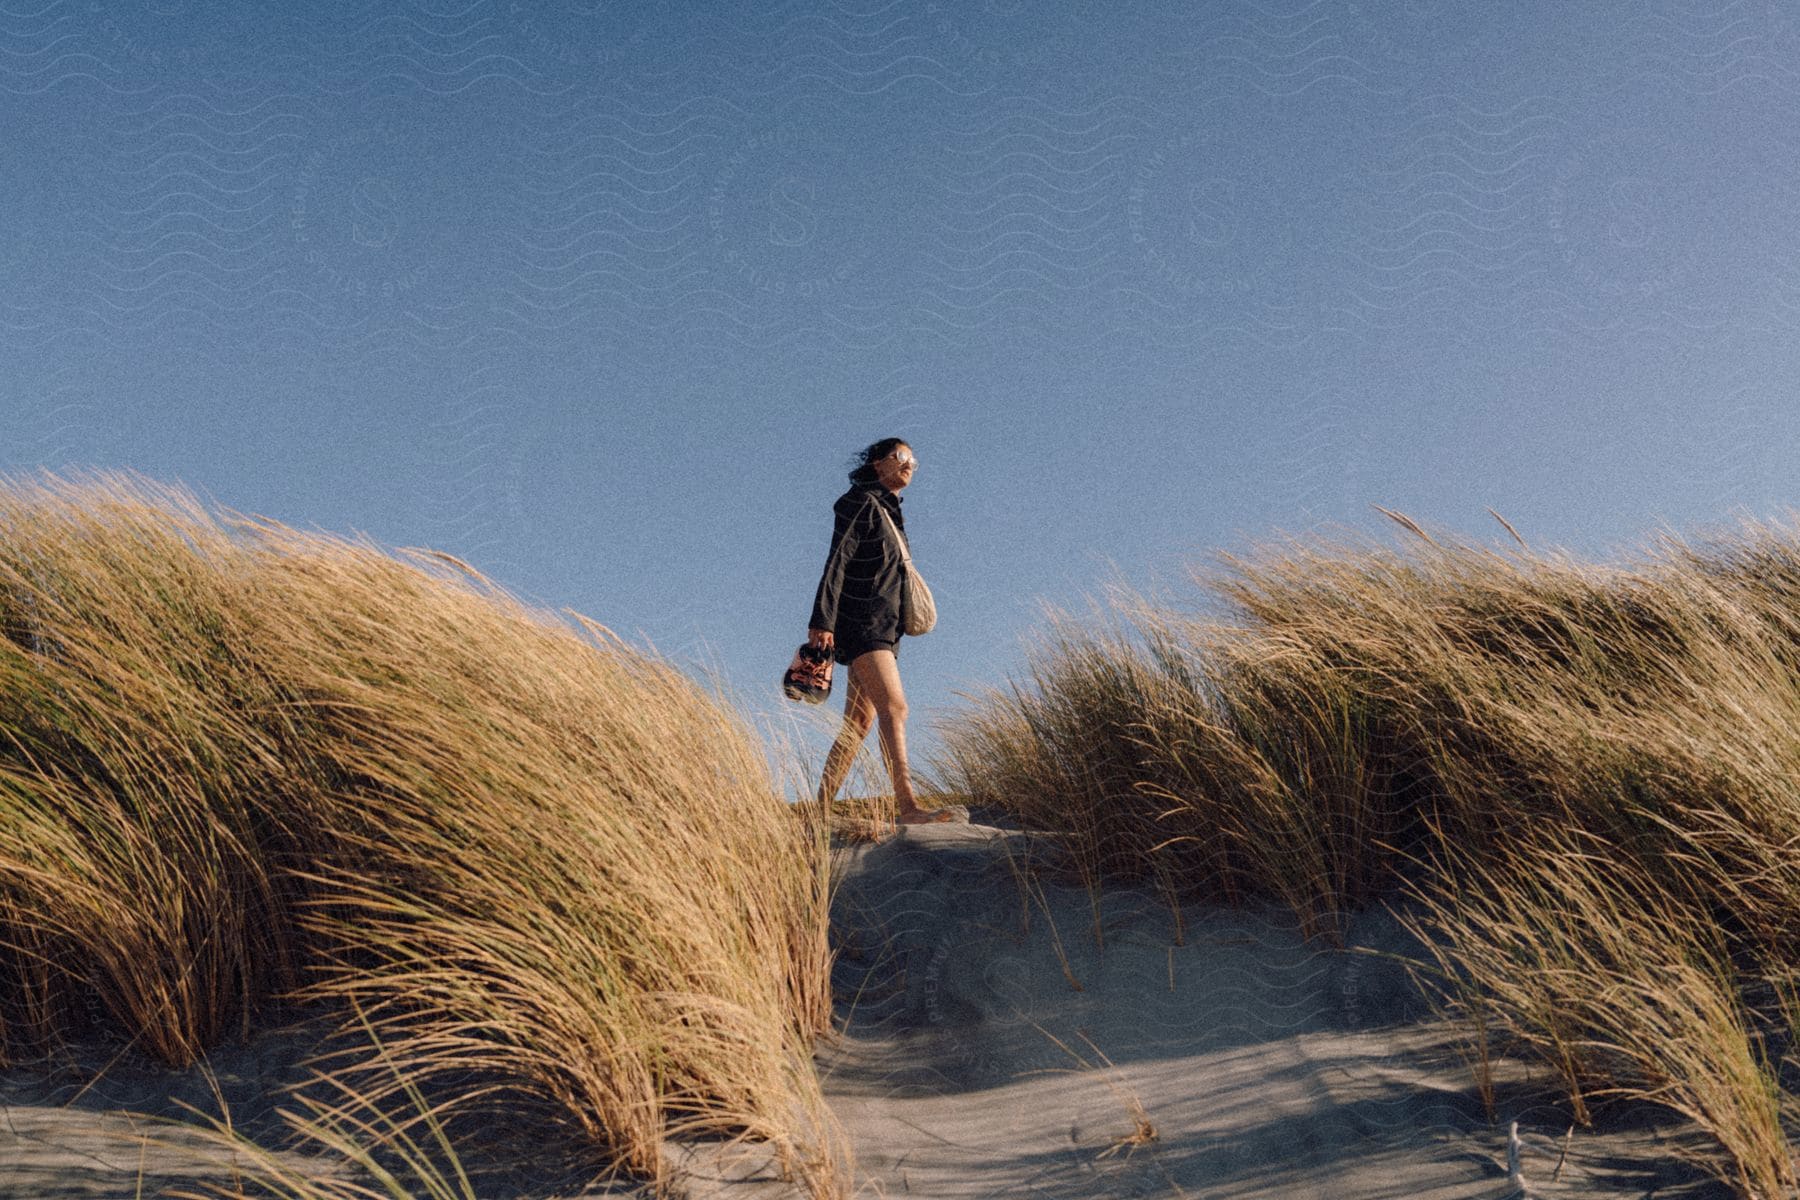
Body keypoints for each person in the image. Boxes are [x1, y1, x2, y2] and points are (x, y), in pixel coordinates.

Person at [808, 437, 952, 826]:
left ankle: (819, 812)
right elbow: (836, 561)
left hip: (886, 628)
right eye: (900, 457)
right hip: (861, 622)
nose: (909, 464)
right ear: (877, 463)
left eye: (913, 460)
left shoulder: (891, 513)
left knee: (859, 721)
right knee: (895, 707)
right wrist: (822, 620)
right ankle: (907, 806)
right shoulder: (858, 502)